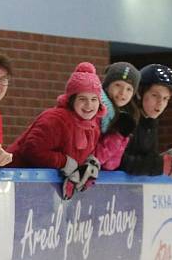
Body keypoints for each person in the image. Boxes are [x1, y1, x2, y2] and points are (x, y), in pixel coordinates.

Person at [8, 62, 105, 200]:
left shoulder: (93, 127)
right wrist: (64, 162)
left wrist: (89, 163)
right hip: (16, 184)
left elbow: (84, 154)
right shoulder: (55, 120)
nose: (89, 105)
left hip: (46, 192)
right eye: (82, 99)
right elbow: (32, 150)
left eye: (94, 99)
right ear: (71, 100)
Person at [119, 64, 172, 191]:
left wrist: (167, 159)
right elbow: (118, 161)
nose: (160, 103)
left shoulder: (149, 120)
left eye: (165, 98)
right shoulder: (124, 118)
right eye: (155, 95)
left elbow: (143, 157)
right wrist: (162, 164)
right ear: (139, 93)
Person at [94, 62, 140, 171]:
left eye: (129, 89)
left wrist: (119, 134)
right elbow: (97, 159)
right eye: (118, 85)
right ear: (107, 85)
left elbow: (111, 164)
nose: (122, 92)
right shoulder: (96, 110)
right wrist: (117, 136)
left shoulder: (125, 116)